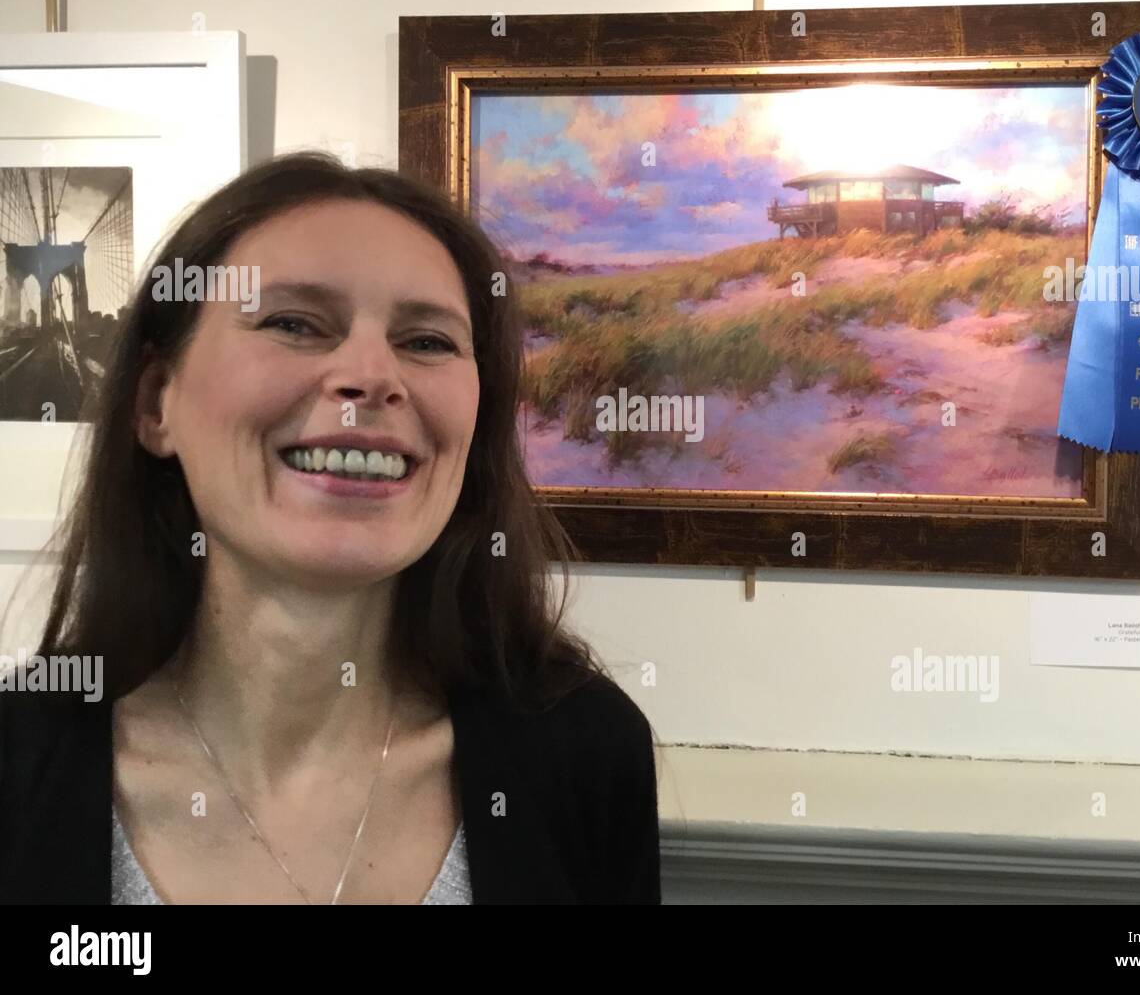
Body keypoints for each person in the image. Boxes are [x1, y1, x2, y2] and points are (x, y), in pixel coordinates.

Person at [0, 152, 661, 905]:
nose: (372, 375)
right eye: (294, 323)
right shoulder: (17, 771)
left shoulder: (583, 755)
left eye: (427, 340)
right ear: (156, 403)